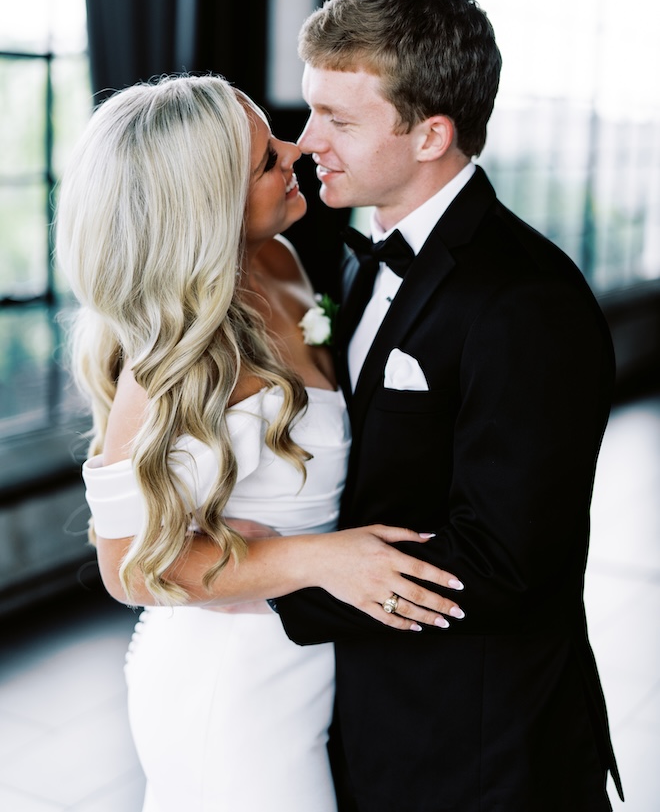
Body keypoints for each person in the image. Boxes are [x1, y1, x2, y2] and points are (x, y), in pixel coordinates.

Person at [54, 73, 464, 812]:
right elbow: (125, 570)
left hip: (312, 656)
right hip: (232, 688)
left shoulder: (278, 261)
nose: (297, 152)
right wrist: (322, 557)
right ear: (208, 205)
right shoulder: (170, 357)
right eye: (267, 161)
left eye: (274, 138)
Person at [268, 0, 625, 811]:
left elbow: (502, 558)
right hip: (367, 724)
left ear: (432, 135)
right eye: (313, 108)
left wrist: (269, 577)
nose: (307, 138)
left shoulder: (527, 300)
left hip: (481, 754)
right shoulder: (359, 256)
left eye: (340, 120)